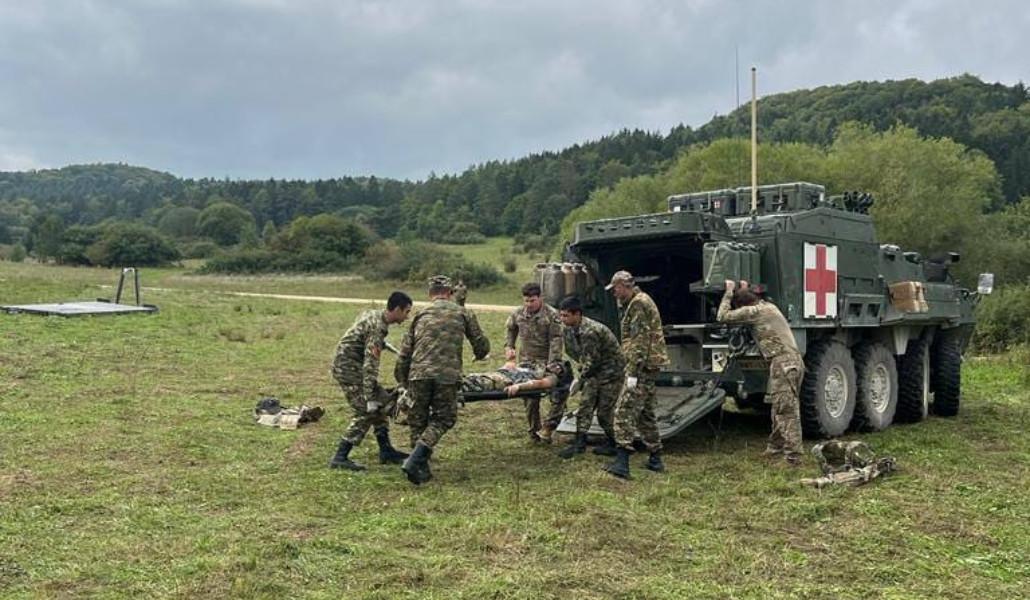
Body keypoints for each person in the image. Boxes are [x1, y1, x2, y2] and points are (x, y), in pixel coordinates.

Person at [395, 275, 491, 485]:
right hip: (446, 376)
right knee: (445, 418)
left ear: (430, 294)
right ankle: (416, 459)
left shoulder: (419, 314)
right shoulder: (462, 312)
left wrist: (402, 380)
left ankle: (420, 467)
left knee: (417, 419)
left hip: (418, 374)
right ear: (449, 293)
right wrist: (480, 352)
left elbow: (404, 353)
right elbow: (481, 346)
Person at [717, 279, 805, 465]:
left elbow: (722, 316)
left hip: (782, 363)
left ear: (743, 306)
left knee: (786, 410)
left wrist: (729, 293)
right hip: (790, 362)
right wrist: (744, 289)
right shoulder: (767, 307)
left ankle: (793, 457)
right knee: (779, 406)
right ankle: (775, 447)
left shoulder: (754, 312)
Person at [328, 291, 414, 471]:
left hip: (352, 366)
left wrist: (384, 344)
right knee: (366, 411)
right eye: (406, 312)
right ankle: (340, 457)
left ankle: (386, 451)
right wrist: (369, 397)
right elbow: (370, 365)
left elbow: (361, 329)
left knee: (381, 404)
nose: (407, 317)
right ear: (397, 309)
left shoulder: (375, 315)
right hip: (348, 370)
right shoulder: (377, 328)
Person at [604, 270, 669, 479]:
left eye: (615, 289)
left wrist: (632, 372)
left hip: (641, 366)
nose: (614, 293)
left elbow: (640, 340)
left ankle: (622, 462)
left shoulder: (638, 303)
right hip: (647, 365)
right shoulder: (635, 301)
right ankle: (655, 457)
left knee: (624, 410)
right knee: (645, 413)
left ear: (624, 286)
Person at [555, 295, 625, 459]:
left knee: (604, 412)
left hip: (611, 373)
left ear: (577, 314)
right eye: (561, 315)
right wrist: (582, 373)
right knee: (585, 406)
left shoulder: (590, 331)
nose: (562, 319)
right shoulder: (568, 329)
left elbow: (592, 360)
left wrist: (580, 379)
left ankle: (616, 443)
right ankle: (579, 443)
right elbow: (574, 353)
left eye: (566, 315)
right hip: (592, 371)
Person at [504, 282, 564, 443]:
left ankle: (549, 426)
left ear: (540, 298)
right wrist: (509, 347)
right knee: (530, 397)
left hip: (546, 361)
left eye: (532, 301)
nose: (529, 304)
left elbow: (556, 341)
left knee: (558, 394)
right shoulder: (518, 313)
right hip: (526, 362)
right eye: (526, 301)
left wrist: (553, 364)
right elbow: (511, 329)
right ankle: (534, 430)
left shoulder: (551, 315)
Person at [460, 361, 562, 397]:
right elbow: (509, 367)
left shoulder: (552, 378)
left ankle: (456, 388)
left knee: (478, 383)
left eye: (559, 368)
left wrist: (519, 386)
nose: (555, 366)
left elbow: (539, 383)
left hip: (504, 381)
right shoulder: (534, 366)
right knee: (471, 378)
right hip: (498, 374)